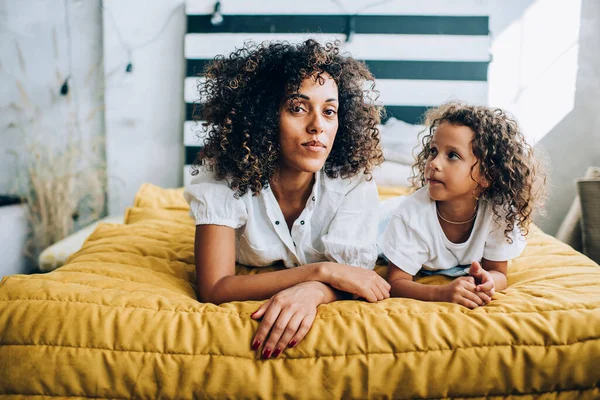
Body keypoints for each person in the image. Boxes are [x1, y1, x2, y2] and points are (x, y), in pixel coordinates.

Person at [183, 39, 389, 359]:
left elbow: (355, 278)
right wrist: (320, 272)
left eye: (329, 111)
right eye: (297, 108)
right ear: (264, 116)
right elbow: (214, 287)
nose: (317, 126)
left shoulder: (354, 182)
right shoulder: (223, 178)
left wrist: (314, 291)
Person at [379, 102, 546, 309]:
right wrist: (442, 293)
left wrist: (489, 281)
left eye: (452, 155)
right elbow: (396, 283)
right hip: (384, 222)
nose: (433, 163)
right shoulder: (411, 216)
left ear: (487, 175)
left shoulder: (498, 213)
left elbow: (499, 272)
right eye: (433, 151)